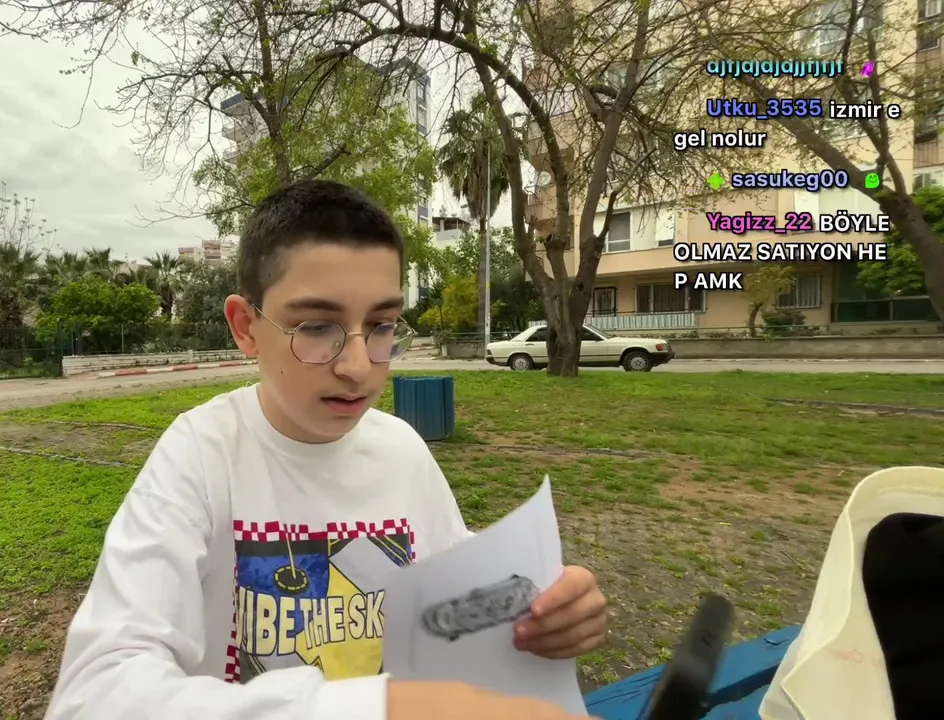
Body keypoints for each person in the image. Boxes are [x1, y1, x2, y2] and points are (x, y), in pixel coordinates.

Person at [44, 180, 608, 720]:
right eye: (316, 326)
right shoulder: (202, 453)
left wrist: (544, 612)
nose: (358, 366)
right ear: (246, 327)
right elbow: (93, 697)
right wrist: (380, 710)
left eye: (382, 325)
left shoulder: (402, 451)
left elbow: (459, 606)